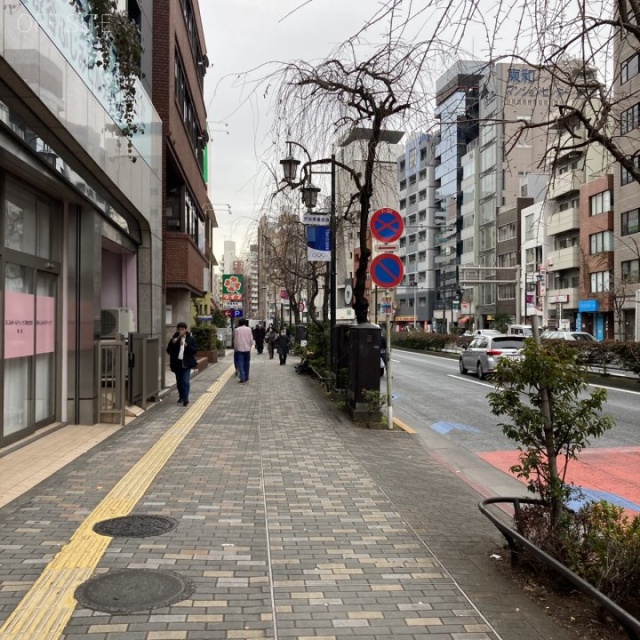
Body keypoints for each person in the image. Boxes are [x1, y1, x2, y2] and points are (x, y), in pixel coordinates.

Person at [166, 321, 198, 406]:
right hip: (177, 364)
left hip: (186, 364)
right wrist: (173, 344)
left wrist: (187, 346)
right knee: (179, 382)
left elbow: (194, 350)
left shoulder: (190, 339)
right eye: (179, 329)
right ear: (177, 330)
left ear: (185, 330)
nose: (181, 331)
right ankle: (181, 396)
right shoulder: (174, 339)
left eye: (182, 329)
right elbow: (168, 351)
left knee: (185, 381)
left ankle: (186, 398)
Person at [233, 318, 253, 383]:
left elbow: (235, 340)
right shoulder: (249, 329)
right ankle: (246, 377)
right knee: (247, 363)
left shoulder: (237, 330)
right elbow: (251, 339)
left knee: (240, 363)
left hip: (239, 349)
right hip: (247, 349)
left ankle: (242, 377)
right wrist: (250, 346)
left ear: (239, 323)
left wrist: (235, 348)